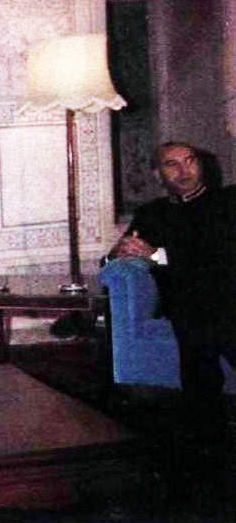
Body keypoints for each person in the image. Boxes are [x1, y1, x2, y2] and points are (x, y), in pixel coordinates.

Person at [108, 142, 236, 458]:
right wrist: (122, 252)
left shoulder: (228, 202)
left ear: (201, 165)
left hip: (226, 295)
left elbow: (220, 255)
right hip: (187, 304)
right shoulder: (151, 213)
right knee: (197, 328)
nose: (184, 170)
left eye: (190, 161)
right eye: (172, 164)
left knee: (202, 333)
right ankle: (208, 440)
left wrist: (156, 255)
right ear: (157, 174)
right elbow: (116, 254)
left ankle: (206, 435)